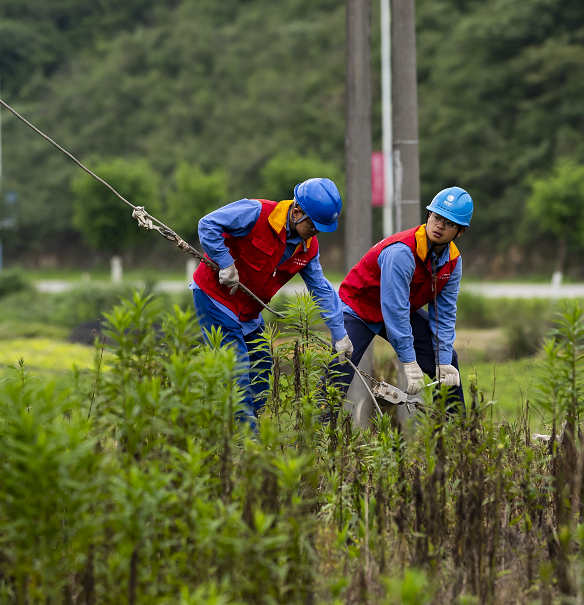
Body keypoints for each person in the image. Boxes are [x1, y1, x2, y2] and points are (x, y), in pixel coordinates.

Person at [193, 178, 347, 425]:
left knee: (263, 366)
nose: (316, 231)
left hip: (249, 310)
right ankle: (245, 442)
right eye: (313, 225)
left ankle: (237, 425)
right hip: (216, 297)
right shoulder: (256, 212)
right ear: (297, 212)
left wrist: (339, 335)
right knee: (236, 369)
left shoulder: (308, 247)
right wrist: (225, 262)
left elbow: (321, 289)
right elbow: (207, 224)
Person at [329, 187, 471, 410]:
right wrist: (409, 361)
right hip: (359, 307)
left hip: (400, 309)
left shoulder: (453, 261)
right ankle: (313, 436)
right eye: (437, 217)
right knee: (338, 374)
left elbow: (444, 314)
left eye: (449, 223)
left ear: (460, 232)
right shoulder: (402, 252)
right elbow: (394, 309)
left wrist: (442, 360)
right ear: (428, 216)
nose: (440, 226)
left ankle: (456, 435)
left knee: (447, 361)